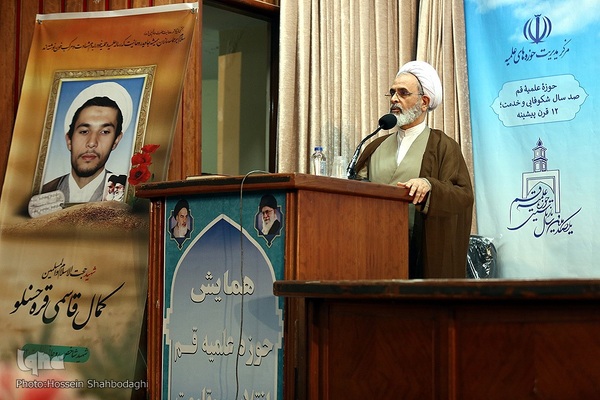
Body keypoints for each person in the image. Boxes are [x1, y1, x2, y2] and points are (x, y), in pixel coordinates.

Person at [354, 60, 474, 279]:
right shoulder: (375, 146)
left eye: (403, 93)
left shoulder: (443, 146)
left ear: (424, 102)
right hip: (373, 251)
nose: (394, 99)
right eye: (392, 92)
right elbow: (355, 190)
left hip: (418, 254)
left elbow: (463, 195)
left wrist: (430, 186)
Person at [41, 82, 132, 203]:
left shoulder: (127, 194)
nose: (92, 143)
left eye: (104, 132)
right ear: (69, 140)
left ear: (116, 141)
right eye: (84, 131)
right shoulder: (43, 193)